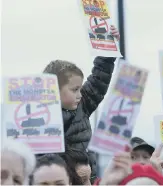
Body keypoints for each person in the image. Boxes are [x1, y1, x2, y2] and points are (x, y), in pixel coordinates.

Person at [42, 25, 120, 183]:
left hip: (86, 178)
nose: (80, 95)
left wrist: (107, 49)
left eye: (80, 88)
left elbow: (99, 79)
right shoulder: (41, 118)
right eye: (74, 90)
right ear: (54, 90)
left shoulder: (82, 105)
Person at [94, 146, 163, 185]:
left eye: (145, 157)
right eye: (133, 157)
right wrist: (105, 183)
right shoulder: (111, 181)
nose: (141, 161)